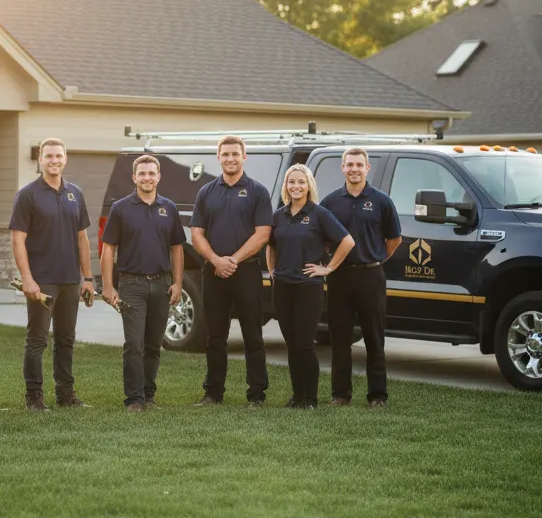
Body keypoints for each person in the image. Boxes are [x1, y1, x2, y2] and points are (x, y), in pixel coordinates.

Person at [9, 137, 94, 411]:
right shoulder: (28, 194)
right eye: (49, 156)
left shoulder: (75, 193)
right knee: (37, 339)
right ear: (40, 160)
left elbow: (83, 238)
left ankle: (65, 394)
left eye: (58, 156)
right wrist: (28, 279)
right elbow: (17, 239)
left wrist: (88, 278)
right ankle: (34, 397)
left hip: (70, 279)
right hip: (42, 279)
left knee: (66, 339)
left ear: (65, 159)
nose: (54, 160)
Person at [190, 135, 272, 407]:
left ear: (244, 157)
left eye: (235, 153)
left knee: (253, 335)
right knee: (215, 336)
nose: (230, 158)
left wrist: (232, 260)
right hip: (213, 273)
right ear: (218, 157)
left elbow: (263, 235)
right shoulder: (206, 192)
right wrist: (216, 260)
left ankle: (256, 395)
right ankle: (213, 393)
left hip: (246, 272)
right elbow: (197, 234)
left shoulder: (258, 191)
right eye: (225, 154)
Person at [100, 154, 186, 413]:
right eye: (142, 173)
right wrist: (107, 286)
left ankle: (149, 395)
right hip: (131, 285)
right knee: (134, 344)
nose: (147, 178)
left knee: (153, 344)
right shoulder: (121, 208)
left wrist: (178, 283)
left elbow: (177, 249)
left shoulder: (168, 208)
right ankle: (134, 399)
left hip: (161, 285)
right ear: (134, 177)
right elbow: (108, 249)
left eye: (152, 173)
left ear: (159, 177)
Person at [319, 147, 403, 408]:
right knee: (340, 338)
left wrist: (375, 259)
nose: (354, 169)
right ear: (342, 168)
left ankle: (377, 395)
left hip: (371, 276)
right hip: (339, 278)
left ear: (367, 168)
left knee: (374, 338)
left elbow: (394, 239)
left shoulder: (381, 201)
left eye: (359, 165)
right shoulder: (330, 202)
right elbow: (321, 239)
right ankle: (340, 394)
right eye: (349, 164)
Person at [267, 164, 355, 410]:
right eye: (291, 182)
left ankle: (310, 399)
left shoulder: (319, 214)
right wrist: (272, 271)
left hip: (308, 287)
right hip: (282, 287)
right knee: (292, 343)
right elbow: (270, 245)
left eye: (301, 182)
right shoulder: (279, 215)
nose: (296, 186)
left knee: (305, 344)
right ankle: (296, 397)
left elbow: (347, 241)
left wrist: (327, 269)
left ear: (309, 186)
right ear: (286, 186)